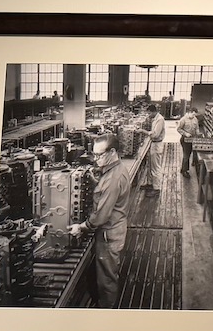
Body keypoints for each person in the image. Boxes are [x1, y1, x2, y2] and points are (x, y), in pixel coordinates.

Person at [69, 131, 130, 308]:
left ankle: (107, 311)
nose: (95, 159)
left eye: (99, 155)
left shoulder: (113, 178)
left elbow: (101, 216)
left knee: (107, 277)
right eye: (94, 154)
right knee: (106, 271)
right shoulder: (116, 168)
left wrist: (81, 227)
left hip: (108, 234)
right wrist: (96, 181)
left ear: (112, 152)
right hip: (115, 228)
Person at [140, 102, 165, 191]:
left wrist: (144, 131)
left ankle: (156, 188)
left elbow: (155, 135)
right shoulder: (155, 118)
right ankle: (150, 184)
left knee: (155, 167)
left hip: (157, 144)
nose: (148, 115)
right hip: (153, 144)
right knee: (150, 166)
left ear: (154, 112)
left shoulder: (160, 120)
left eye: (149, 113)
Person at [177, 108, 200, 174]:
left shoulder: (195, 119)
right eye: (193, 114)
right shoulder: (183, 119)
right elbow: (178, 129)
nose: (193, 116)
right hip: (185, 139)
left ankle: (183, 169)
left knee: (189, 154)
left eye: (194, 115)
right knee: (186, 155)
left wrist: (198, 133)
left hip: (192, 139)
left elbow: (197, 128)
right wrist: (186, 134)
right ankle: (185, 171)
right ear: (189, 112)